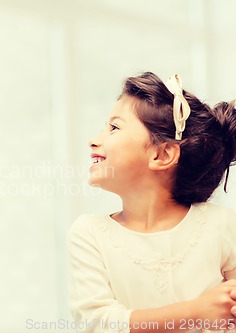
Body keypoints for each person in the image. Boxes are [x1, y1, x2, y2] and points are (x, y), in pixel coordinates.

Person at [68, 72, 236, 332]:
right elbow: (98, 323)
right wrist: (197, 312)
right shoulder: (90, 234)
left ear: (162, 154)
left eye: (114, 127)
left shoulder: (222, 226)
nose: (94, 140)